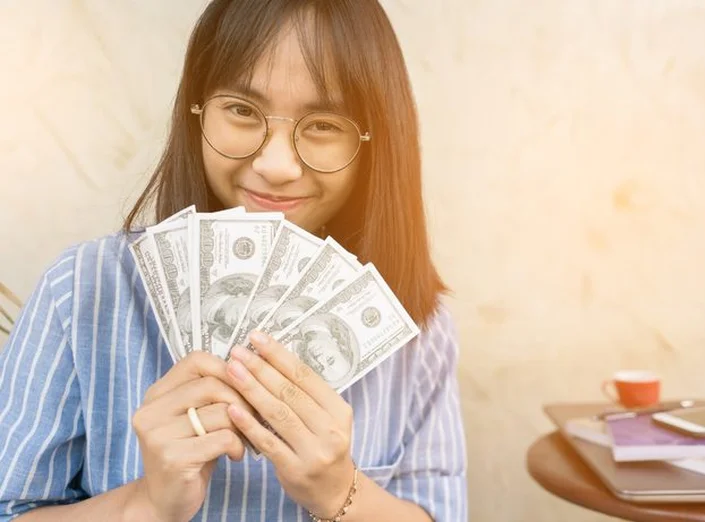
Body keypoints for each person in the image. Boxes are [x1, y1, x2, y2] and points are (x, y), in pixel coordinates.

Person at [0, 1, 468, 521]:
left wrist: (341, 492)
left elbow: (438, 512)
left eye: (324, 124)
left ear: (373, 142)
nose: (276, 165)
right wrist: (147, 503)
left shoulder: (418, 326)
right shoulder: (80, 290)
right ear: (197, 111)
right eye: (243, 111)